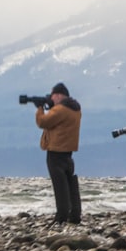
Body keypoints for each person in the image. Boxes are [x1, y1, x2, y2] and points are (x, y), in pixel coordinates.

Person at [35, 82, 83, 224]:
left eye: (53, 95)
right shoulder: (75, 109)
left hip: (56, 151)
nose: (51, 98)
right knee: (70, 183)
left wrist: (40, 108)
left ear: (58, 95)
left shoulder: (61, 109)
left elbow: (42, 122)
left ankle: (61, 216)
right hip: (68, 152)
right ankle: (75, 214)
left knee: (60, 185)